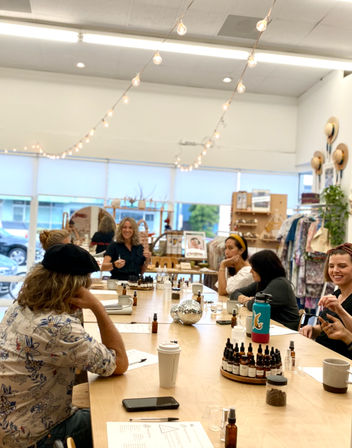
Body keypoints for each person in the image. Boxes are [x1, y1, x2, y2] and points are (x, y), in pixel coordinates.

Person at [0, 244, 128, 448]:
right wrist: (97, 306)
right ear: (73, 289)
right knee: (114, 414)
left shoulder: (20, 305)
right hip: (32, 438)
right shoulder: (58, 327)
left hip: (8, 423)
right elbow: (119, 363)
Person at [300, 243, 352, 357]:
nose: (335, 270)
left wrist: (340, 310)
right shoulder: (337, 294)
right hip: (321, 355)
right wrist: (313, 330)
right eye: (331, 266)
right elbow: (328, 328)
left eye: (342, 266)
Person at [231, 249, 300, 330]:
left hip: (286, 333)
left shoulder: (280, 284)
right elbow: (234, 293)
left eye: (253, 268)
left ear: (263, 269)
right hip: (272, 328)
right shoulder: (264, 282)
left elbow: (254, 305)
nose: (250, 271)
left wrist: (248, 301)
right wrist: (246, 299)